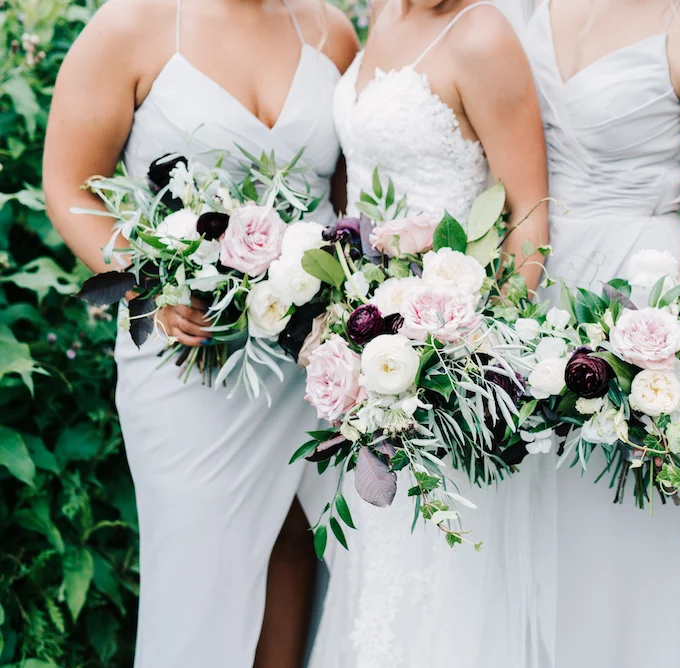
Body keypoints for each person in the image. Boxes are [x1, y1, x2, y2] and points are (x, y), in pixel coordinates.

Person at [42, 1, 358, 666]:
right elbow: (68, 184)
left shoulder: (329, 31)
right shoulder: (130, 26)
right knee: (198, 572)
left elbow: (346, 198)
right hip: (189, 352)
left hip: (308, 357)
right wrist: (150, 282)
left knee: (296, 541)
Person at [514, 0, 680, 665]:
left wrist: (662, 362)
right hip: (538, 300)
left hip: (647, 301)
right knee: (542, 543)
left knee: (631, 551)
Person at [306, 1, 550, 667]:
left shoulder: (480, 32)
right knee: (378, 574)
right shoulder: (382, 13)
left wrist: (454, 357)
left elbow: (527, 218)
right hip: (371, 356)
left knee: (446, 577)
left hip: (444, 367)